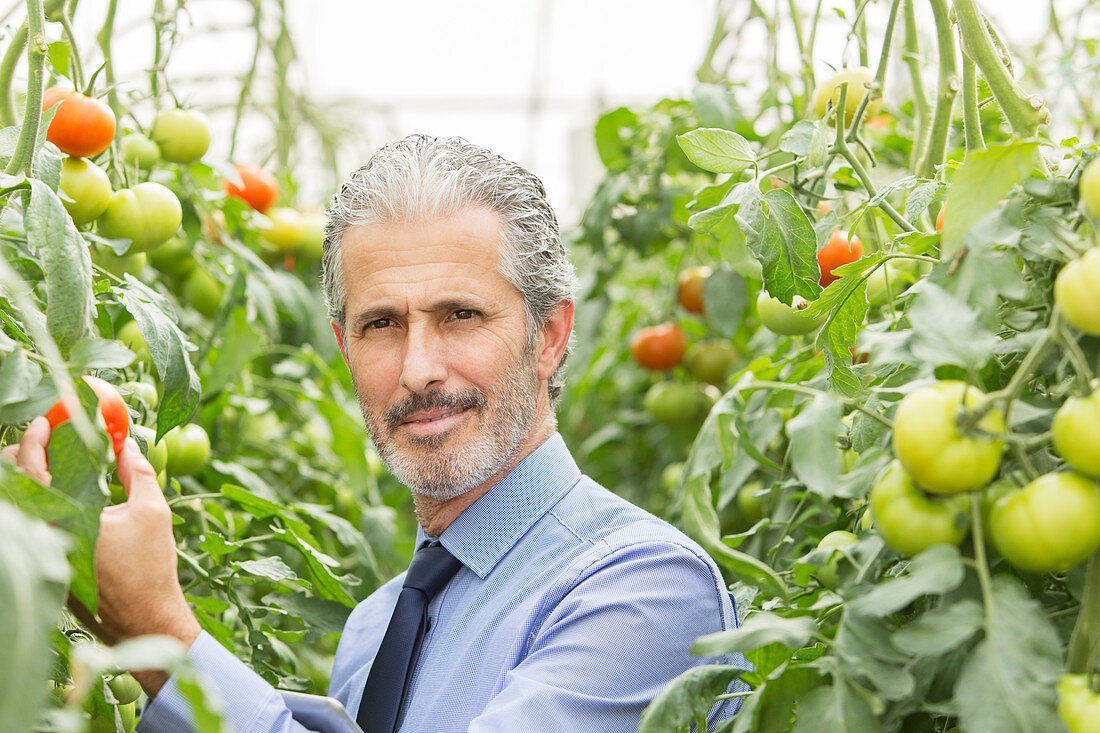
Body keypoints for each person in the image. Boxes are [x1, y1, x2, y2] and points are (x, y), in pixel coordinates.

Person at [5, 135, 747, 732]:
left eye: (461, 314)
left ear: (550, 334)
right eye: (381, 324)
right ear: (344, 346)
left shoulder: (643, 590)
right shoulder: (373, 629)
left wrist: (164, 636)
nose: (419, 368)